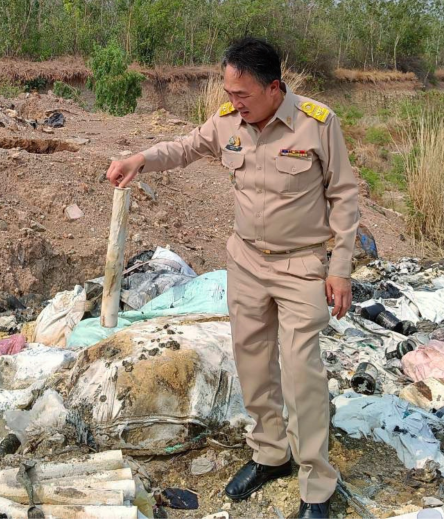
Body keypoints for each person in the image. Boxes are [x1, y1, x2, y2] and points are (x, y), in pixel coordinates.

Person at [106, 37, 359, 519]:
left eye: (242, 94)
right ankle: (270, 454)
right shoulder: (227, 122)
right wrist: (141, 159)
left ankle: (317, 487)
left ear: (274, 88)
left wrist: (340, 268)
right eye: (229, 91)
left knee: (302, 373)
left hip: (302, 264)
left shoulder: (317, 124)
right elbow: (184, 147)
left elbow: (344, 197)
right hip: (245, 262)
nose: (233, 101)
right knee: (253, 364)